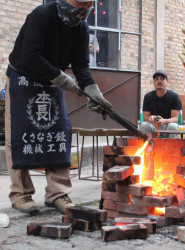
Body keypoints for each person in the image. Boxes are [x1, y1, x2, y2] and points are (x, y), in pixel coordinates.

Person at [5, 0, 112, 215]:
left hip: (52, 82)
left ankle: (58, 193)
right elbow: (30, 56)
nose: (84, 8)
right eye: (80, 3)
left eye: (88, 4)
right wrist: (64, 80)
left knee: (59, 133)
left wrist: (92, 89)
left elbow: (81, 65)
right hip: (24, 78)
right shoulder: (42, 15)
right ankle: (21, 194)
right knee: (20, 136)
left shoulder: (80, 26)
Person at [140, 70, 182, 138]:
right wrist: (150, 118)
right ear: (154, 82)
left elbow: (175, 119)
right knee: (144, 125)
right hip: (153, 126)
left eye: (162, 79)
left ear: (167, 81)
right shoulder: (148, 96)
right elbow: (145, 117)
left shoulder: (174, 96)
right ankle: (148, 147)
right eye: (156, 79)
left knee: (173, 126)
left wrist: (164, 121)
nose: (159, 81)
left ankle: (171, 148)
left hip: (167, 125)